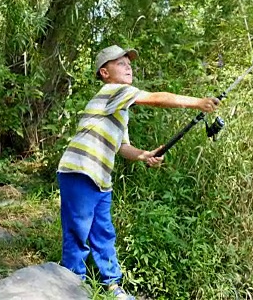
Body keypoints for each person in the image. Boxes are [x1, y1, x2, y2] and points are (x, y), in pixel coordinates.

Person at [57, 45, 220, 299]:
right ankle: (71, 285)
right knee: (78, 230)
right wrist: (197, 103)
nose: (128, 66)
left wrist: (144, 155)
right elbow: (154, 97)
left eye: (129, 63)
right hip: (79, 170)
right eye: (120, 63)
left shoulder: (120, 110)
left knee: (103, 232)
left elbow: (123, 147)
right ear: (104, 72)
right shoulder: (113, 91)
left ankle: (111, 285)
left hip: (101, 178)